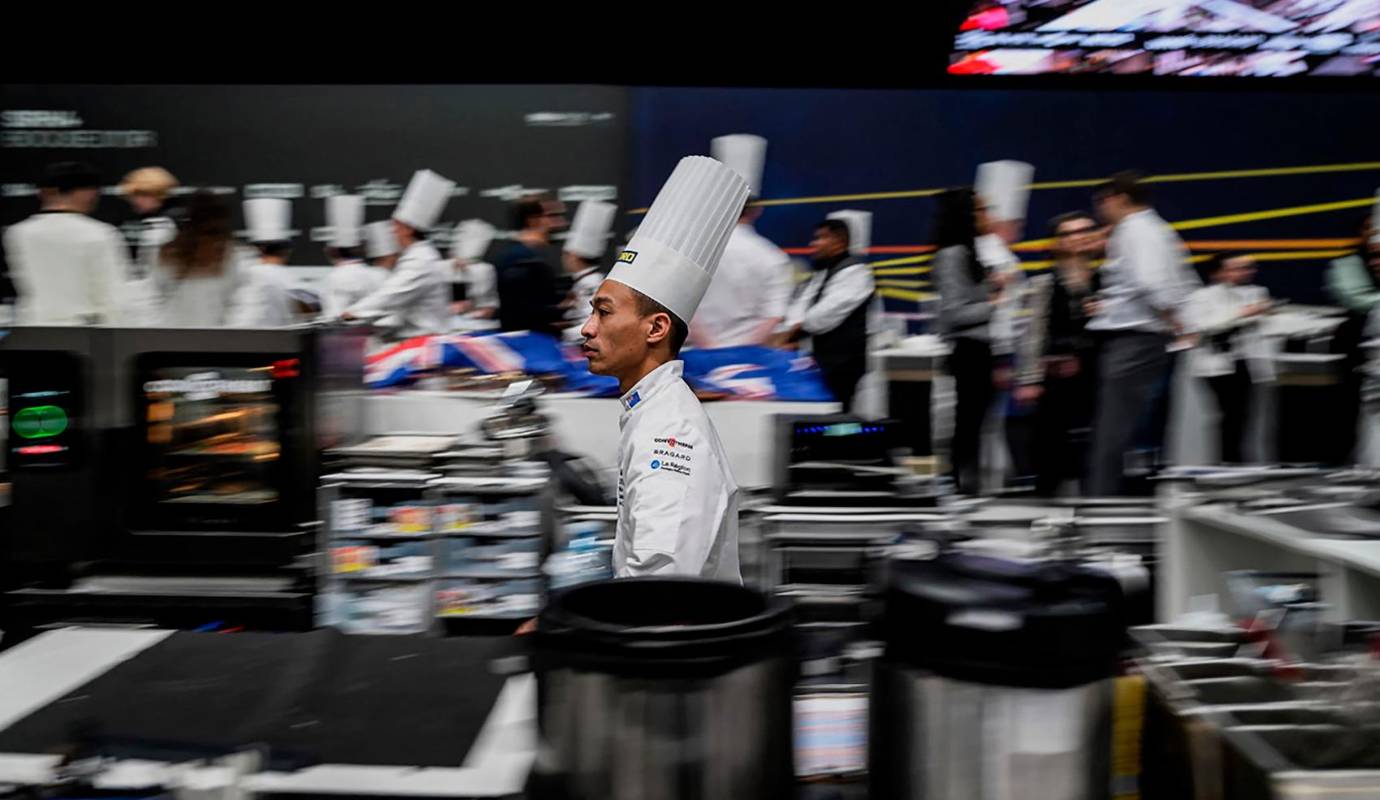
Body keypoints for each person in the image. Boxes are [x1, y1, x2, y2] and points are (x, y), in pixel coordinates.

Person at [579, 155, 748, 581]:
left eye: (603, 312)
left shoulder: (668, 433)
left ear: (656, 328)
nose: (587, 328)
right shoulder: (651, 409)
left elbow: (658, 583)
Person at [1086, 171, 1198, 496]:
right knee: (1123, 427)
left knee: (1113, 429)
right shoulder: (1154, 229)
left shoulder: (1136, 230)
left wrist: (1173, 318)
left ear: (1120, 199)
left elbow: (1151, 283)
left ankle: (1101, 503)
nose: (1099, 210)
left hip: (1135, 340)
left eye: (1102, 202)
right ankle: (1108, 498)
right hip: (1142, 339)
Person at [932, 187, 1006, 495]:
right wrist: (993, 303)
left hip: (980, 346)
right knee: (968, 423)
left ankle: (967, 484)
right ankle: (960, 485)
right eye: (980, 210)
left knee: (976, 422)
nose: (986, 216)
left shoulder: (969, 252)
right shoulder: (952, 255)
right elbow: (953, 312)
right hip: (967, 348)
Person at [689, 135, 793, 349]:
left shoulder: (694, 251)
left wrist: (710, 348)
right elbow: (773, 316)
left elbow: (681, 305)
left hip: (697, 358)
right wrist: (740, 354)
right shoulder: (772, 256)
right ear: (757, 211)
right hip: (750, 362)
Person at [1028, 211, 1103, 495]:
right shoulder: (1043, 284)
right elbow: (1033, 334)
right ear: (1056, 242)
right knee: (1051, 449)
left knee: (1094, 449)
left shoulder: (1109, 279)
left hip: (1100, 374)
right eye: (1070, 233)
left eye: (1085, 230)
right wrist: (1030, 379)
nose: (1080, 237)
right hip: (1056, 377)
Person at [3, 161, 128, 326]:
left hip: (32, 328)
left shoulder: (17, 233)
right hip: (85, 332)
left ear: (43, 193)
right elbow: (112, 294)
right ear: (88, 193)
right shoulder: (100, 233)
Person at [975, 160, 1037, 487]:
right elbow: (996, 309)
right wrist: (1001, 360)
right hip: (997, 351)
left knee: (1004, 420)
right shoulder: (992, 256)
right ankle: (1008, 481)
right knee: (1001, 420)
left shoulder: (1000, 256)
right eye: (1017, 222)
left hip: (1004, 350)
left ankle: (1007, 480)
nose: (1020, 229)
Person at [778, 214, 876, 412]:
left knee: (836, 416)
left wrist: (795, 330)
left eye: (821, 238)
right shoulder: (822, 273)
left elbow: (824, 315)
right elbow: (801, 307)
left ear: (839, 241)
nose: (814, 244)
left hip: (843, 364)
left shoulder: (857, 272)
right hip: (818, 361)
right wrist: (788, 330)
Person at [343, 169, 455, 339]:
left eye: (396, 226)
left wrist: (354, 312)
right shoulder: (421, 255)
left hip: (424, 345)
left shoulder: (421, 260)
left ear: (408, 229)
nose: (392, 232)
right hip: (419, 338)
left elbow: (392, 295)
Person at [1185, 252, 1272, 464]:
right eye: (1237, 267)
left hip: (1246, 362)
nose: (1245, 272)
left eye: (1248, 267)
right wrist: (1242, 313)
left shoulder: (1257, 293)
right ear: (1218, 272)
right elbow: (1203, 326)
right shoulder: (1202, 297)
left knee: (1245, 417)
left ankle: (1240, 462)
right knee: (1226, 415)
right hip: (1215, 364)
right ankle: (1225, 463)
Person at [1324, 211, 1380, 464]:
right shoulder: (1346, 263)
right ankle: (1342, 462)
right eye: (1370, 228)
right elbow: (1356, 300)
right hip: (1354, 345)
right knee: (1347, 408)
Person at [152, 190, 250, 327]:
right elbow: (155, 300)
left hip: (215, 341)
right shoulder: (169, 254)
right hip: (174, 338)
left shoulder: (234, 257)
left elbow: (240, 309)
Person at [494, 193, 567, 338]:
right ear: (532, 221)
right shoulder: (520, 259)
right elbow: (523, 312)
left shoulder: (529, 256)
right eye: (551, 216)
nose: (560, 223)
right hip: (529, 344)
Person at [119, 166, 181, 325]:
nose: (134, 201)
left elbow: (158, 278)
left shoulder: (160, 231)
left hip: (158, 313)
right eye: (132, 195)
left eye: (140, 195)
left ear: (157, 195)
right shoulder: (159, 226)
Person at [228, 198, 297, 328]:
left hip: (244, 341)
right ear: (286, 250)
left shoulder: (245, 274)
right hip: (279, 343)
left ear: (258, 248)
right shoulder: (291, 279)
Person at [318, 195, 384, 320]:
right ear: (360, 249)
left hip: (349, 338)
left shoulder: (336, 278)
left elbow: (335, 320)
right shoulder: (378, 275)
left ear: (331, 251)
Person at [560, 200, 617, 342]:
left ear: (574, 257)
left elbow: (595, 324)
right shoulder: (584, 281)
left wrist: (559, 334)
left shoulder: (592, 285)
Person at [450, 219, 499, 323]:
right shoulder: (444, 269)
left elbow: (489, 307)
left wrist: (471, 310)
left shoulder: (485, 270)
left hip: (477, 324)